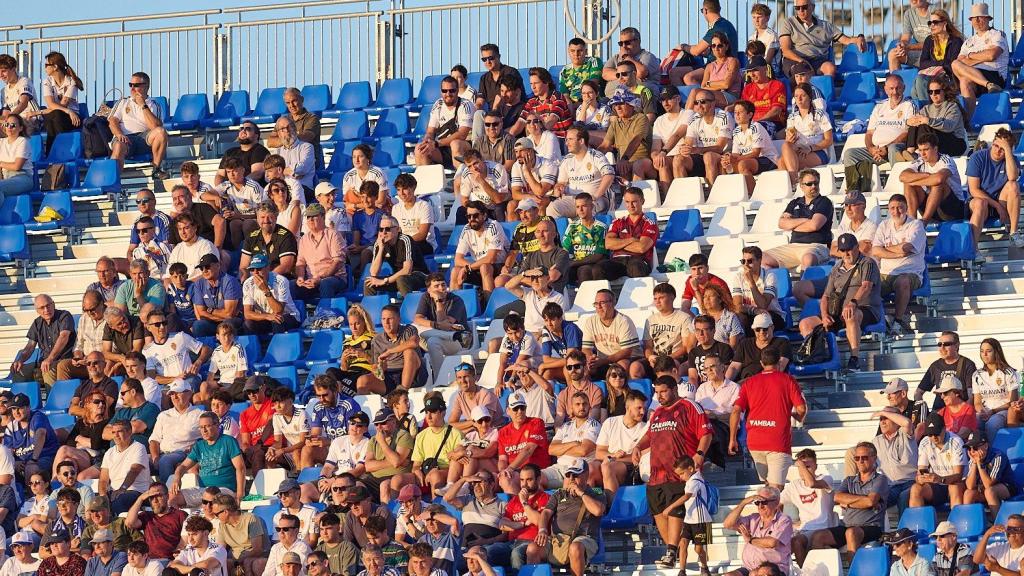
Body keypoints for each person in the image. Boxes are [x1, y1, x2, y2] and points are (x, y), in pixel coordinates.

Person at [632, 377, 712, 568]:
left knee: (675, 510)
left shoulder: (689, 405)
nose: (659, 396)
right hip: (656, 472)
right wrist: (637, 446)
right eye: (657, 393)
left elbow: (706, 433)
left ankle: (671, 551)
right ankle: (672, 552)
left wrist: (700, 454)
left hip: (680, 472)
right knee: (659, 511)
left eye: (663, 392)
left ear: (674, 389)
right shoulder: (658, 412)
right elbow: (649, 436)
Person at [798, 233, 883, 371]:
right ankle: (818, 356)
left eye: (849, 249)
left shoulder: (867, 263)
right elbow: (826, 296)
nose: (846, 253)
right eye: (843, 250)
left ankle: (854, 359)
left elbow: (866, 287)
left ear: (856, 247)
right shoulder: (836, 268)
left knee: (851, 314)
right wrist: (825, 315)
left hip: (865, 308)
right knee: (805, 323)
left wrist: (853, 302)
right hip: (837, 312)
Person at [729, 348, 807, 489]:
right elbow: (801, 408)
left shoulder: (749, 382)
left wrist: (732, 439)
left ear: (761, 363)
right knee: (775, 490)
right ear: (779, 362)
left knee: (768, 487)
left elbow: (735, 411)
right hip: (777, 441)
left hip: (755, 442)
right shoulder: (788, 380)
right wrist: (797, 417)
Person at [525, 458, 607, 576]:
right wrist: (542, 530)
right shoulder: (559, 494)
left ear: (586, 474)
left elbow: (598, 511)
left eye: (576, 475)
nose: (572, 479)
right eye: (569, 475)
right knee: (533, 548)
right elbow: (546, 513)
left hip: (583, 538)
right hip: (558, 539)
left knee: (575, 547)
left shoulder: (596, 493)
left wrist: (581, 493)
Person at [808, 442, 889, 559]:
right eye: (857, 458)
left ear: (874, 458)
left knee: (851, 533)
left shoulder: (880, 479)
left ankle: (852, 572)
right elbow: (836, 497)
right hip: (847, 526)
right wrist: (863, 500)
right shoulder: (849, 480)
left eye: (864, 457)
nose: (860, 461)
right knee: (818, 537)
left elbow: (870, 502)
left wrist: (849, 502)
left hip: (872, 527)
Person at [871, 194, 927, 336]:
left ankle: (898, 320)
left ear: (906, 208)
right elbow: (875, 250)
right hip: (885, 273)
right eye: (892, 208)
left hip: (910, 273)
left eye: (900, 208)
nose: (896, 212)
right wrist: (897, 253)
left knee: (902, 281)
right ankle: (877, 321)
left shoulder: (916, 225)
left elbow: (906, 248)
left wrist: (885, 249)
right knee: (866, 284)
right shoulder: (884, 225)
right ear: (888, 210)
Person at [843, 74, 916, 174]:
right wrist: (871, 149)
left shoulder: (909, 105)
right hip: (877, 149)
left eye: (898, 88)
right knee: (850, 153)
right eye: (891, 89)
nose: (894, 92)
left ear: (904, 88)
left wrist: (886, 147)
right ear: (885, 89)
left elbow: (908, 132)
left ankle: (899, 183)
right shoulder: (879, 106)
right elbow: (869, 134)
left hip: (897, 147)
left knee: (893, 148)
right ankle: (854, 187)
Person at [763, 168, 833, 272]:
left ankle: (804, 287)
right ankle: (774, 286)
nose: (813, 186)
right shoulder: (794, 203)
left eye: (816, 183)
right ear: (802, 186)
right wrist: (806, 220)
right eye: (809, 184)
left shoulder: (824, 202)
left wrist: (793, 225)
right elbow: (781, 223)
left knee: (808, 259)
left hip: (817, 245)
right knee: (762, 258)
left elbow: (814, 225)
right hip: (794, 246)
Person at [778, 0, 868, 79]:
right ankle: (803, 95)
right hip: (795, 60)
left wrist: (859, 38)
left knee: (830, 68)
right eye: (797, 8)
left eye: (804, 7)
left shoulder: (826, 26)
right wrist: (802, 61)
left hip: (818, 60)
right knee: (802, 71)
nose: (801, 10)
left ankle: (826, 95)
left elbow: (846, 40)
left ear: (812, 7)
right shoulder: (788, 23)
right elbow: (786, 50)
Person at [950, 2, 1009, 120]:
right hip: (977, 78)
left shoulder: (997, 34)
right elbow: (960, 63)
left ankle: (968, 121)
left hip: (994, 75)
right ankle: (970, 120)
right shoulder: (968, 41)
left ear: (987, 19)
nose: (976, 21)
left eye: (980, 17)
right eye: (973, 18)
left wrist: (971, 55)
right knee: (958, 70)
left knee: (963, 78)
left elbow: (992, 55)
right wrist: (982, 56)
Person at [967, 128, 1023, 246]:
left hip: (1001, 201)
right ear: (992, 143)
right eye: (996, 146)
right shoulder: (977, 157)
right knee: (979, 203)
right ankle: (973, 248)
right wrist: (997, 206)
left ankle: (1013, 232)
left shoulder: (1012, 160)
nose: (998, 150)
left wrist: (1008, 151)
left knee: (1013, 185)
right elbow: (974, 190)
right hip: (981, 203)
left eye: (1002, 148)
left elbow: (1012, 177)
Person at [107, 72, 168, 178]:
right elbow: (112, 121)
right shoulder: (123, 102)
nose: (132, 88)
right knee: (118, 145)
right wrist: (119, 134)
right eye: (130, 85)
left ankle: (156, 169)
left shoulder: (154, 105)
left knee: (161, 132)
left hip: (145, 139)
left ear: (146, 86)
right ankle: (113, 180)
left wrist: (143, 105)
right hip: (125, 138)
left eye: (136, 85)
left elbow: (155, 127)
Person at [721, 486, 792, 576]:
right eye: (757, 502)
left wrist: (750, 540)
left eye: (764, 502)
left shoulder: (784, 520)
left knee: (758, 574)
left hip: (774, 568)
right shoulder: (753, 518)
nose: (760, 506)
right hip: (749, 568)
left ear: (776, 502)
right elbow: (728, 524)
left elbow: (772, 543)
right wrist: (743, 503)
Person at [783, 450, 837, 567]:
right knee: (790, 542)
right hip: (805, 529)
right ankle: (804, 572)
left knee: (809, 540)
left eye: (808, 466)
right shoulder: (794, 485)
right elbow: (776, 502)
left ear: (816, 466)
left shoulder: (826, 478)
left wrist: (801, 465)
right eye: (802, 467)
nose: (804, 470)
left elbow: (811, 483)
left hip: (824, 528)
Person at [10, 294, 75, 387]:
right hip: (44, 363)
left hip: (64, 361)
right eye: (42, 307)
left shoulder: (64, 316)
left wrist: (50, 359)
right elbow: (30, 346)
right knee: (18, 371)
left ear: (53, 304)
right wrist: (20, 360)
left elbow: (63, 337)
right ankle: (21, 401)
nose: (46, 310)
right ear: (37, 311)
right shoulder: (37, 323)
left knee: (47, 370)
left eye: (48, 305)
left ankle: (53, 400)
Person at [360, 305, 428, 395]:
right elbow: (375, 368)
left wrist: (389, 351)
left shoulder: (408, 329)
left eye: (390, 319)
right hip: (390, 376)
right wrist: (380, 369)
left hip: (414, 374)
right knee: (362, 381)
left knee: (409, 352)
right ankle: (359, 408)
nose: (386, 323)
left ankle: (402, 394)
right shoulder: (377, 340)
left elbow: (414, 342)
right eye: (383, 319)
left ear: (398, 319)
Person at [901, 134, 966, 223]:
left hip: (952, 209)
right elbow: (902, 176)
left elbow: (939, 178)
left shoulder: (946, 160)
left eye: (926, 150)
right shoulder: (920, 161)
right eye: (920, 150)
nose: (922, 154)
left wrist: (915, 180)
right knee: (908, 184)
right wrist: (925, 175)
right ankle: (911, 221)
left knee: (938, 185)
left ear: (935, 149)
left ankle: (924, 223)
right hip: (932, 208)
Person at [552, 124, 614, 215]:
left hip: (594, 200)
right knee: (552, 208)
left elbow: (609, 175)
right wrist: (558, 188)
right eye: (566, 140)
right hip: (573, 200)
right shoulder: (566, 160)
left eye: (570, 139)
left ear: (581, 141)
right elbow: (561, 183)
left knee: (586, 208)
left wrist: (595, 196)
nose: (566, 143)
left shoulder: (596, 156)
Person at [596, 388, 648, 496]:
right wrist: (612, 455)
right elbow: (599, 453)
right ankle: (588, 509)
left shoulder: (645, 428)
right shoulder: (610, 422)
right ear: (628, 407)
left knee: (607, 467)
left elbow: (640, 457)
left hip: (630, 466)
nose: (643, 412)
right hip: (610, 460)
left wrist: (615, 459)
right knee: (589, 469)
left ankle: (612, 507)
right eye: (639, 408)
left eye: (644, 408)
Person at [909, 413, 967, 509]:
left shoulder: (956, 442)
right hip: (936, 484)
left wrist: (940, 479)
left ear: (944, 429)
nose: (934, 437)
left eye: (936, 433)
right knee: (915, 488)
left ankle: (955, 522)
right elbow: (921, 470)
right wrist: (921, 478)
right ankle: (918, 523)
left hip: (955, 483)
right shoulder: (925, 442)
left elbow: (958, 475)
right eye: (930, 434)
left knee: (955, 487)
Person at [147, 380, 202, 481]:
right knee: (136, 460)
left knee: (165, 461)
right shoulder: (163, 415)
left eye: (178, 393)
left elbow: (207, 437)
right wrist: (155, 458)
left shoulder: (199, 414)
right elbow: (154, 440)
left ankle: (166, 493)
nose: (174, 397)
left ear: (189, 393)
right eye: (172, 394)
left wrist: (196, 447)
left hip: (183, 453)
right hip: (161, 453)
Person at [410, 394, 463, 497]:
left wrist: (435, 471)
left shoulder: (455, 433)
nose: (428, 417)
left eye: (433, 412)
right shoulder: (421, 436)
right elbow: (416, 464)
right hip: (425, 472)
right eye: (426, 412)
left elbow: (458, 464)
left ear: (443, 413)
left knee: (435, 475)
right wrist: (417, 471)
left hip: (445, 473)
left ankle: (435, 508)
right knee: (396, 481)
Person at [451, 200, 508, 295]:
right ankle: (455, 306)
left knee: (485, 267)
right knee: (455, 271)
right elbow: (458, 259)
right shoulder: (467, 229)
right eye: (469, 216)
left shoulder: (493, 226)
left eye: (475, 216)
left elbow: (491, 258)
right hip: (477, 266)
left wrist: (467, 268)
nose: (472, 219)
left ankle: (489, 305)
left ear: (484, 215)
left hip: (498, 266)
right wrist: (468, 267)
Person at [364, 215, 429, 297]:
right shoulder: (379, 243)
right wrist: (381, 248)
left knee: (401, 279)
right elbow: (373, 272)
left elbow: (407, 270)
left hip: (418, 275)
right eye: (381, 229)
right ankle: (369, 309)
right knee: (369, 282)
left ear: (397, 229)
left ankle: (409, 307)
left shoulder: (405, 240)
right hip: (397, 277)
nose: (383, 233)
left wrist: (385, 281)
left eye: (387, 229)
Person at [416, 76, 472, 169]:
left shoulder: (465, 105)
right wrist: (428, 140)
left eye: (452, 90)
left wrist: (437, 144)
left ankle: (460, 180)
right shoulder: (438, 104)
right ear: (441, 91)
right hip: (443, 147)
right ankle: (426, 182)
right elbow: (430, 131)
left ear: (457, 90)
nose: (448, 93)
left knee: (455, 144)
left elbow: (462, 134)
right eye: (444, 91)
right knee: (420, 149)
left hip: (465, 146)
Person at [143, 312, 211, 388]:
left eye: (164, 323)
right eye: (157, 324)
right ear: (148, 327)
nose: (162, 327)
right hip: (168, 385)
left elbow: (207, 349)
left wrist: (199, 362)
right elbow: (152, 377)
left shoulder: (180, 337)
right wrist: (175, 379)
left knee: (183, 390)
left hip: (189, 379)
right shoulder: (147, 351)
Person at [362, 408, 416, 503]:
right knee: (357, 486)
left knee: (385, 485)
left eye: (383, 423)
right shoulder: (373, 440)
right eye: (376, 424)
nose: (379, 427)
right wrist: (394, 461)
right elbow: (368, 466)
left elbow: (396, 462)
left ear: (394, 421)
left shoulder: (403, 435)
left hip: (396, 475)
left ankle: (386, 516)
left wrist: (382, 442)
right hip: (374, 477)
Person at [779, 85, 832, 182]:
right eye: (796, 96)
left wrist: (810, 148)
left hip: (816, 151)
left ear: (810, 97)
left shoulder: (819, 114)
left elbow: (829, 141)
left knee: (782, 162)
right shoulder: (792, 117)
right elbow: (788, 141)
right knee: (786, 146)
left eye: (802, 95)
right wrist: (790, 139)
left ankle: (792, 184)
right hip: (798, 150)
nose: (799, 99)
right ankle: (793, 183)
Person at [872, 406, 919, 512]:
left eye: (886, 418)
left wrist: (882, 412)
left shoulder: (905, 433)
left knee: (903, 498)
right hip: (890, 485)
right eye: (881, 419)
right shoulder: (876, 441)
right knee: (874, 502)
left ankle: (905, 528)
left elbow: (907, 422)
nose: (882, 422)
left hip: (910, 482)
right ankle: (877, 529)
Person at [124, 483, 187, 563]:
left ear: (167, 496)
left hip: (171, 560)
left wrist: (177, 557)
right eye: (151, 497)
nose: (155, 500)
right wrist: (140, 499)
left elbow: (186, 539)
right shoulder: (146, 516)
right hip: (149, 561)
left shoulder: (180, 515)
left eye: (158, 496)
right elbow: (129, 523)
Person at [915, 331, 978, 410]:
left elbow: (972, 397)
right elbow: (918, 393)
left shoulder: (967, 365)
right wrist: (923, 412)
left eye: (946, 344)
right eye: (939, 344)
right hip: (939, 411)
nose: (942, 348)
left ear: (956, 345)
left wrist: (962, 413)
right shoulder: (935, 366)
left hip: (958, 413)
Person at [906, 76, 967, 157]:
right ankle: (911, 151)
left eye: (937, 91)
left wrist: (929, 121)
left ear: (944, 92)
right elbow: (917, 121)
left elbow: (949, 127)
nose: (933, 94)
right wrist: (909, 121)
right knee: (916, 122)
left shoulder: (952, 107)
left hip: (955, 143)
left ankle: (917, 153)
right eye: (930, 92)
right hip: (936, 143)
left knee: (925, 124)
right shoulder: (926, 108)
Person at [241, 253, 301, 334]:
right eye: (252, 270)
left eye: (259, 269)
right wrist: (267, 316)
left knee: (277, 319)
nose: (255, 273)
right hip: (266, 317)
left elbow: (278, 311)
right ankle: (255, 346)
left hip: (289, 314)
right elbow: (247, 314)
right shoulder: (248, 283)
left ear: (267, 268)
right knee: (248, 324)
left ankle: (279, 346)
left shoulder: (281, 281)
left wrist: (266, 290)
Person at [911, 10, 964, 100]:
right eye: (930, 23)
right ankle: (926, 109)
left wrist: (935, 64)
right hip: (931, 77)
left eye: (935, 22)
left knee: (919, 82)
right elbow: (923, 63)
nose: (932, 25)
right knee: (915, 87)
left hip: (948, 79)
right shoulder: (929, 40)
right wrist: (940, 65)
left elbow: (952, 65)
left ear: (944, 23)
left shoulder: (956, 41)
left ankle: (926, 110)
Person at [732, 246, 785, 332]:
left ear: (759, 261)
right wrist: (754, 310)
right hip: (751, 313)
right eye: (743, 261)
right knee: (737, 318)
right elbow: (736, 306)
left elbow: (763, 305)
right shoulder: (738, 277)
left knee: (760, 319)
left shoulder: (770, 276)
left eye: (750, 261)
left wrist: (751, 282)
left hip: (772, 314)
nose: (746, 265)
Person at [189, 254, 243, 338]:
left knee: (228, 324)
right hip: (213, 322)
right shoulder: (199, 284)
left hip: (232, 321)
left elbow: (229, 314)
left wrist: (210, 310)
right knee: (198, 325)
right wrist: (219, 316)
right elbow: (201, 313)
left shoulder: (230, 281)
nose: (204, 271)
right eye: (201, 268)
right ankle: (204, 350)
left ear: (218, 265)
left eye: (207, 267)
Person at [726, 313, 792, 381]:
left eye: (765, 329)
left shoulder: (782, 343)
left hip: (769, 381)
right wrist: (726, 383)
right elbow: (734, 367)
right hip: (746, 382)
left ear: (772, 327)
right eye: (758, 329)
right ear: (754, 330)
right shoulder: (745, 343)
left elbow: (780, 367)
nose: (761, 332)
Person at [963, 429, 1014, 512]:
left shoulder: (998, 456)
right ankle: (971, 524)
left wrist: (979, 463)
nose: (972, 451)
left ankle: (997, 522)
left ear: (986, 446)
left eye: (975, 448)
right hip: (984, 489)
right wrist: (974, 464)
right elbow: (970, 486)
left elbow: (988, 485)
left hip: (1006, 487)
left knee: (989, 491)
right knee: (968, 493)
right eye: (969, 448)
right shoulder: (972, 459)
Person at [169, 185, 226, 250]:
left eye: (181, 197)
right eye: (175, 199)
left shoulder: (202, 208)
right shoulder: (174, 221)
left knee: (223, 256)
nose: (178, 201)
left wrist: (216, 249)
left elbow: (220, 221)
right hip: (187, 255)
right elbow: (172, 245)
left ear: (190, 196)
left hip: (208, 251)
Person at [886, 0, 932, 71]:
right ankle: (896, 81)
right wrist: (902, 46)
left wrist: (909, 47)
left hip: (935, 54)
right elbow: (905, 38)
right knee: (893, 54)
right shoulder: (908, 14)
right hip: (920, 54)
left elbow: (933, 42)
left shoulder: (935, 12)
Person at [559, 38, 603, 103]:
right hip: (572, 105)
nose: (576, 54)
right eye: (572, 51)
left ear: (586, 51)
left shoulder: (593, 62)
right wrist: (570, 107)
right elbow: (565, 95)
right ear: (568, 52)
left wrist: (581, 105)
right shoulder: (564, 70)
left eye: (579, 51)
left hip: (592, 101)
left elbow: (593, 83)